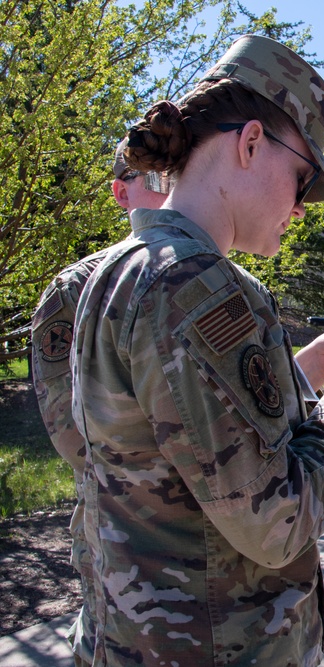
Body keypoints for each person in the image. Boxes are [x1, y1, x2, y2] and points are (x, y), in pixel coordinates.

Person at [30, 34, 324, 666]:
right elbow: (278, 522)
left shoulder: (85, 281)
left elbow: (126, 455)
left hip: (122, 639)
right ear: (250, 143)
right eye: (303, 180)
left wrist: (299, 371)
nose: (301, 209)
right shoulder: (198, 288)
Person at [31, 138, 172, 664]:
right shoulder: (78, 289)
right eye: (155, 183)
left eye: (174, 179)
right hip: (128, 547)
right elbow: (76, 435)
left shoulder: (202, 281)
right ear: (122, 194)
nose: (169, 194)